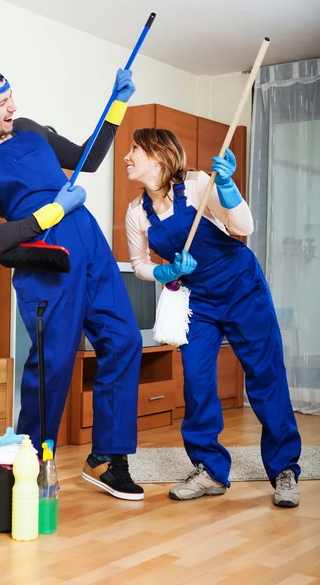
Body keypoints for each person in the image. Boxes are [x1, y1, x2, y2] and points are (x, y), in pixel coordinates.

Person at [0, 64, 144, 501]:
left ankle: (109, 461)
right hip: (47, 258)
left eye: (11, 96)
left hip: (89, 243)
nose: (12, 107)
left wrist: (117, 104)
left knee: (125, 340)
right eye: (1, 103)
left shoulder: (31, 129)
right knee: (52, 362)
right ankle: (29, 466)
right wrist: (49, 215)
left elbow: (88, 158)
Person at [124, 127, 302, 508]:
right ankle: (209, 469)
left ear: (157, 156)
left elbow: (244, 228)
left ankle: (285, 468)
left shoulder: (199, 183)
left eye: (134, 150)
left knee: (265, 376)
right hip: (198, 301)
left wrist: (227, 186)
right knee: (198, 382)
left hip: (242, 288)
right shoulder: (136, 213)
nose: (127, 157)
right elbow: (139, 265)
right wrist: (166, 273)